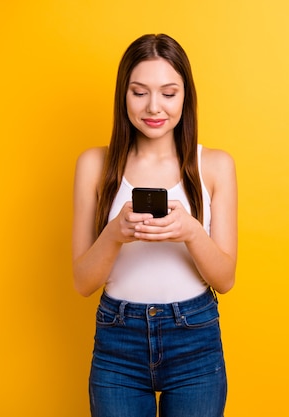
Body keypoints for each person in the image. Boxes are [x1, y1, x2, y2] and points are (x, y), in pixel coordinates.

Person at [72, 34, 237, 417]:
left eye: (168, 92)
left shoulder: (215, 166)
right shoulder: (94, 165)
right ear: (123, 95)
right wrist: (115, 234)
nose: (153, 107)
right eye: (139, 92)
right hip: (118, 342)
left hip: (195, 339)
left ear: (186, 96)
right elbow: (82, 282)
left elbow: (225, 279)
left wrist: (192, 231)